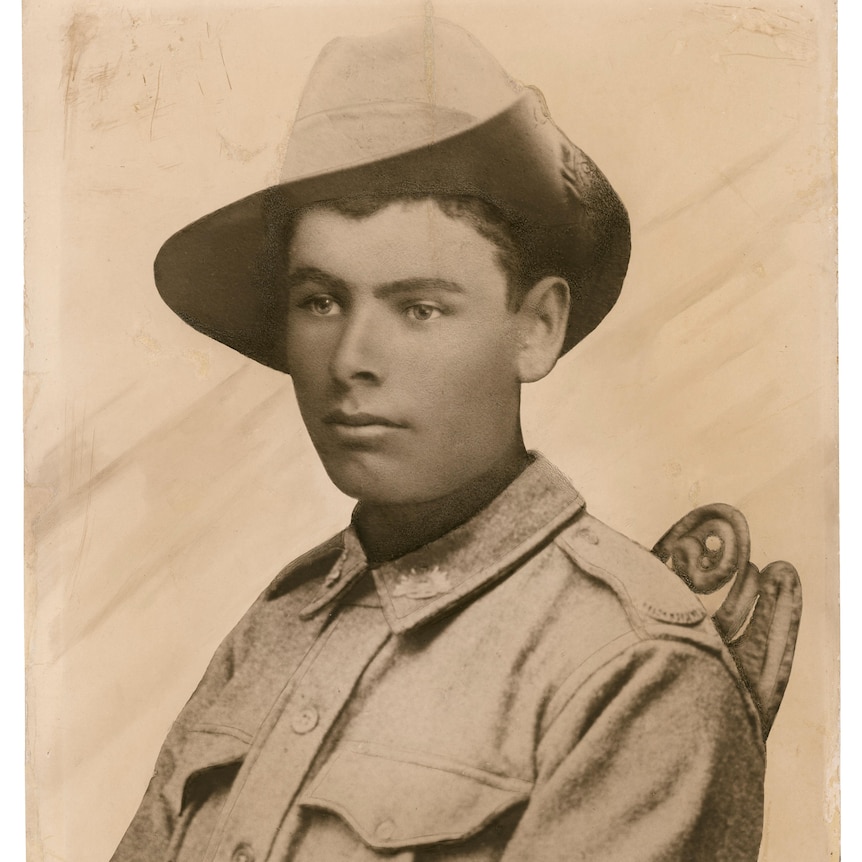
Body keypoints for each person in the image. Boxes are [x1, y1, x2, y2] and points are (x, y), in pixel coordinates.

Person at [112, 18, 765, 861]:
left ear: (535, 328)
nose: (351, 360)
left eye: (418, 308)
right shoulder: (277, 626)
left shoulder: (634, 670)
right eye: (320, 301)